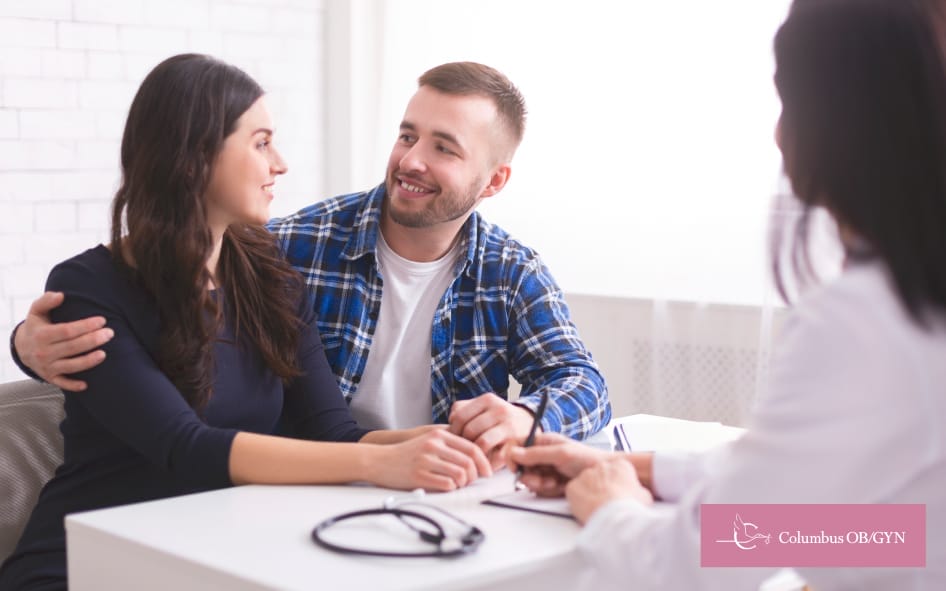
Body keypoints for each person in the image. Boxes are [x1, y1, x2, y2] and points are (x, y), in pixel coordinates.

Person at [0, 54, 493, 591]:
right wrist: (385, 466)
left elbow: (336, 434)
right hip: (86, 566)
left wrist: (448, 443)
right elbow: (186, 447)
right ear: (193, 157)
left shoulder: (270, 276)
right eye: (260, 143)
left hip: (218, 559)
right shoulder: (91, 286)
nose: (279, 163)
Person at [508, 0, 946, 589]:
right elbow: (870, 526)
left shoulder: (858, 318)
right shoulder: (912, 298)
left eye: (788, 102)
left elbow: (693, 566)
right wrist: (629, 468)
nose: (777, 131)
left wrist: (612, 507)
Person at [10, 61, 612, 462]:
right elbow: (147, 316)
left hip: (406, 485)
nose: (411, 160)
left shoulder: (510, 273)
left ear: (494, 181)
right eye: (407, 135)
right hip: (317, 487)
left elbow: (584, 382)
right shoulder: (294, 246)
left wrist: (523, 418)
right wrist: (26, 343)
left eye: (443, 148)